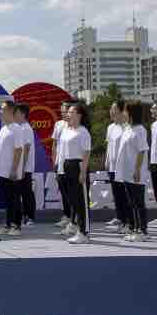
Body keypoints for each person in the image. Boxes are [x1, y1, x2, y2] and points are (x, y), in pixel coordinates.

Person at [59, 102, 92, 244]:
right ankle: (78, 229)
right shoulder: (67, 130)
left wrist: (83, 172)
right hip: (67, 165)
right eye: (68, 112)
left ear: (79, 115)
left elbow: (86, 153)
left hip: (78, 166)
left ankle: (84, 232)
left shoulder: (83, 131)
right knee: (73, 200)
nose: (68, 114)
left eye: (72, 112)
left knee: (81, 201)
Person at [118, 101, 150, 242]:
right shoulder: (127, 129)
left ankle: (142, 231)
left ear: (131, 113)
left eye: (125, 111)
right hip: (126, 172)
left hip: (136, 172)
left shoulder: (140, 130)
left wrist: (137, 169)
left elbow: (142, 151)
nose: (123, 113)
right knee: (131, 202)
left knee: (138, 202)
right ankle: (135, 229)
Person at [0, 101, 22, 236]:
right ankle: (8, 224)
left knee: (14, 198)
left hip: (11, 172)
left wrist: (14, 169)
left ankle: (16, 226)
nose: (0, 111)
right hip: (1, 171)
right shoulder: (4, 128)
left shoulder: (16, 128)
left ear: (10, 111)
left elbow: (18, 150)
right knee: (7, 199)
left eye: (2, 109)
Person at [105, 101, 128, 234]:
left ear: (121, 111)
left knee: (124, 195)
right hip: (112, 167)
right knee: (117, 194)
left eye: (114, 109)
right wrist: (107, 160)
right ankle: (120, 217)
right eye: (111, 109)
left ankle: (127, 222)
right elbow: (109, 145)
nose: (111, 111)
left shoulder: (126, 127)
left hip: (122, 167)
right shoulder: (110, 127)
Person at [52, 100, 73, 230]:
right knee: (63, 191)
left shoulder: (74, 126)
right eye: (62, 111)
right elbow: (54, 144)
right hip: (59, 164)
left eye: (65, 111)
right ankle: (66, 215)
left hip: (70, 164)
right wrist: (54, 160)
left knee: (71, 192)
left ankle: (74, 218)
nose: (62, 113)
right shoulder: (58, 124)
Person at [14, 103, 36, 226]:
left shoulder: (26, 129)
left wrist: (22, 167)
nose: (14, 115)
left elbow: (26, 149)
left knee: (26, 192)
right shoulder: (19, 128)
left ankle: (30, 216)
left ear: (23, 114)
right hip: (20, 166)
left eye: (16, 113)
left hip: (25, 167)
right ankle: (23, 216)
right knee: (20, 192)